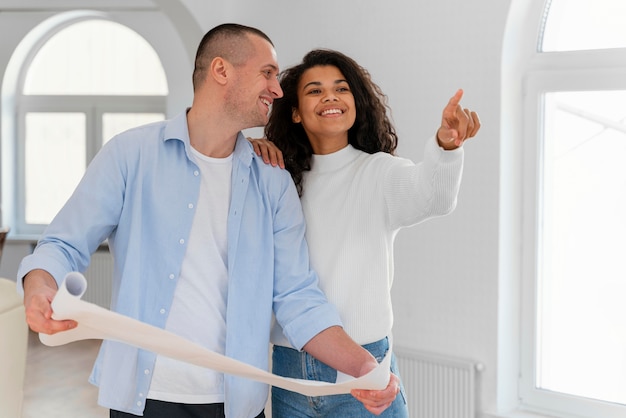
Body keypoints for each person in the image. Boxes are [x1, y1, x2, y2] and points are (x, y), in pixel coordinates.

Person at [17, 25, 400, 418]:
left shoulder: (272, 181)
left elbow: (297, 297)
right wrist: (39, 288)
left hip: (236, 403)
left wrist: (364, 368)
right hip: (141, 396)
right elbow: (63, 244)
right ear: (221, 70)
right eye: (267, 72)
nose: (278, 88)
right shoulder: (130, 155)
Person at [249, 49, 481, 417]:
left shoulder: (378, 173)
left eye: (341, 89)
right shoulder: (276, 177)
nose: (330, 97)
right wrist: (245, 148)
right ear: (294, 111)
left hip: (364, 370)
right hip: (292, 371)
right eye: (314, 91)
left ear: (355, 103)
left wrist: (447, 145)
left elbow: (434, 196)